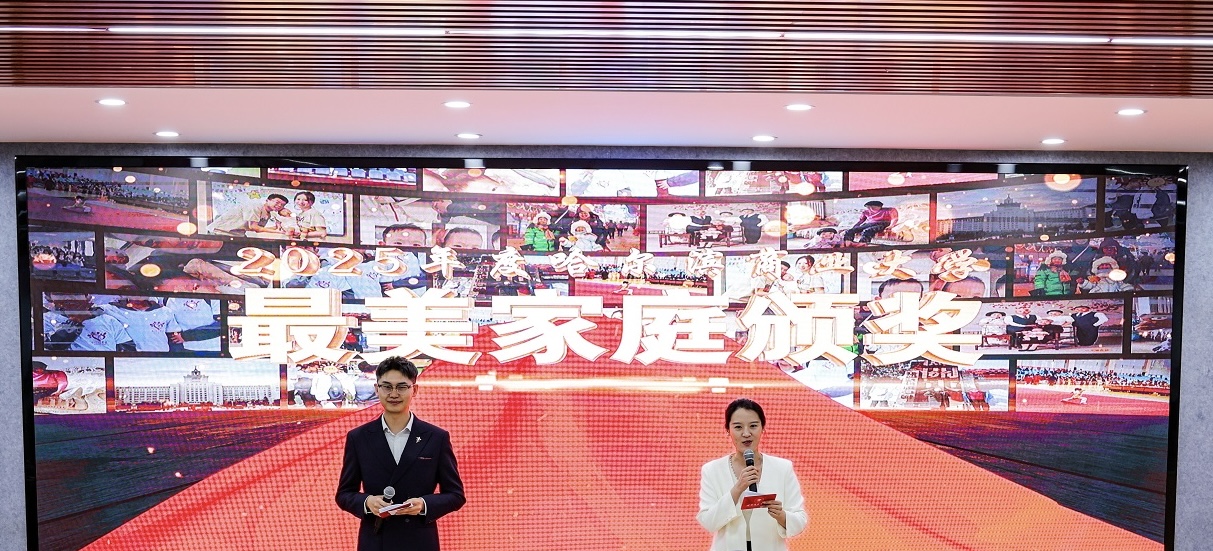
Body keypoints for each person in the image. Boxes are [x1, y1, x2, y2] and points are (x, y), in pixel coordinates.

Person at [335, 356, 465, 551]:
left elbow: (455, 495)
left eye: (402, 387)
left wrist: (424, 504)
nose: (393, 394)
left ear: (415, 390)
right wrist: (367, 502)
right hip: (376, 540)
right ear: (376, 389)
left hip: (419, 541)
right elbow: (344, 494)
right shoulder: (359, 437)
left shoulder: (436, 437)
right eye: (387, 387)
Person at [697, 398, 808, 551]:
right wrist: (738, 488)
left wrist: (781, 516)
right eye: (738, 427)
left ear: (763, 428)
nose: (746, 433)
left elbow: (800, 521)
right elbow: (709, 522)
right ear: (728, 430)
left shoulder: (783, 468)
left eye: (753, 426)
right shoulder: (712, 470)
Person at [208, 193, 289, 236]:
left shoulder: (268, 214)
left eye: (282, 205)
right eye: (277, 202)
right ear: (267, 200)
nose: (279, 206)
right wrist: (278, 232)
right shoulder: (256, 207)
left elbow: (258, 229)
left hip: (236, 235)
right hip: (219, 232)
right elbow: (253, 227)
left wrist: (276, 228)